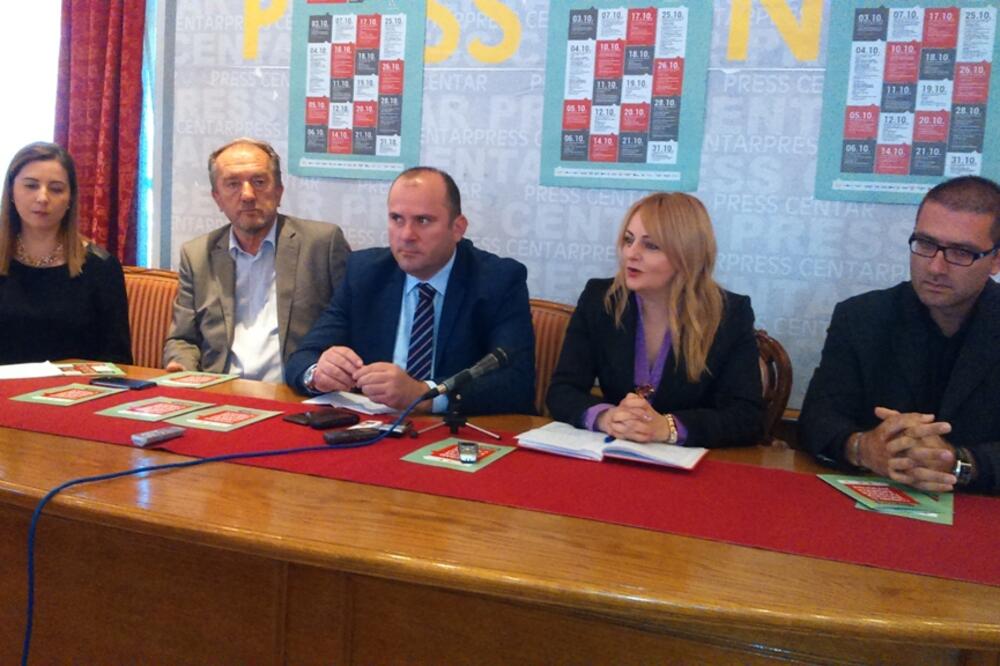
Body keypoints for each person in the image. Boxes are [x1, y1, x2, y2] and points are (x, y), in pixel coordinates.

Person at [800, 176, 1000, 494]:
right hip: (873, 503)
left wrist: (959, 463)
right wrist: (863, 447)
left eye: (961, 252)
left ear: (995, 260)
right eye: (926, 244)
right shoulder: (862, 317)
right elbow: (817, 418)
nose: (935, 267)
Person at [286, 166, 535, 415]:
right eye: (397, 219)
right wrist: (317, 373)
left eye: (423, 220)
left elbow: (517, 383)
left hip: (458, 429)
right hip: (376, 427)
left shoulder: (498, 280)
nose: (406, 235)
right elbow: (302, 357)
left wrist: (423, 394)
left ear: (458, 228)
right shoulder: (365, 273)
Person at [546, 192, 764, 447]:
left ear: (687, 255)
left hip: (690, 462)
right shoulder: (600, 299)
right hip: (615, 453)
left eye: (651, 246)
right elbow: (562, 391)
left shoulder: (730, 314)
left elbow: (747, 417)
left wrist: (667, 427)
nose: (631, 253)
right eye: (629, 240)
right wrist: (606, 417)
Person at [163, 138, 350, 382]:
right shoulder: (197, 254)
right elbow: (182, 339)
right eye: (233, 184)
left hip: (293, 391)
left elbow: (353, 325)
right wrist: (182, 367)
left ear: (279, 191)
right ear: (217, 198)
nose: (248, 195)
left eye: (259, 182)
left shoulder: (322, 244)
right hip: (219, 389)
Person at [0, 142, 131, 364]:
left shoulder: (101, 268)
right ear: (11, 191)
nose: (42, 197)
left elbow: (118, 360)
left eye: (56, 189)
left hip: (76, 386)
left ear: (70, 198)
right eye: (31, 186)